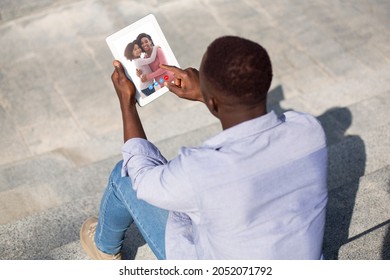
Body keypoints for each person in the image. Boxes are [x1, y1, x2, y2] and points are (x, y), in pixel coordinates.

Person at [80, 35, 328, 260]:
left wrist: (127, 104)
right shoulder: (309, 131)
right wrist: (206, 95)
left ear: (212, 100)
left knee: (123, 175)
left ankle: (103, 249)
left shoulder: (202, 170)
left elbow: (142, 180)